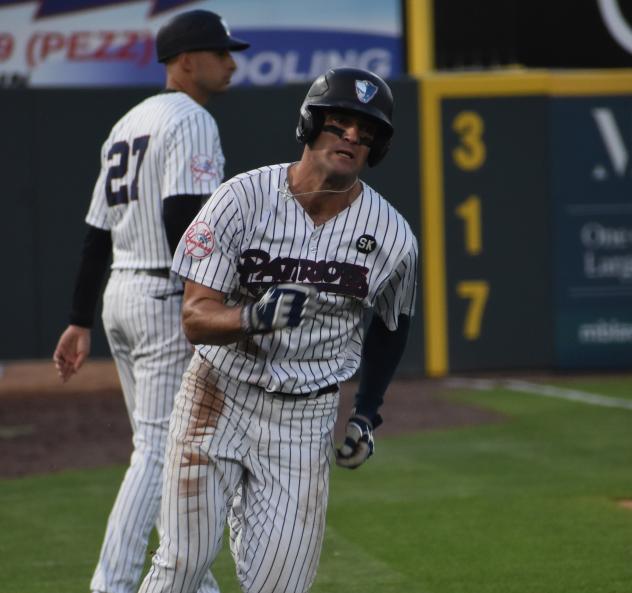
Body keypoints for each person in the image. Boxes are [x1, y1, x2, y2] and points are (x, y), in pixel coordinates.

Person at [137, 66, 419, 593]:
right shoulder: (239, 199)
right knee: (181, 567)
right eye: (340, 123)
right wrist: (254, 316)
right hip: (216, 396)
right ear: (310, 126)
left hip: (305, 417)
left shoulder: (392, 237)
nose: (353, 137)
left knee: (281, 587)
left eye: (368, 131)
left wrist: (365, 414)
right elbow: (195, 317)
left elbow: (392, 325)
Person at [52, 10, 250, 593]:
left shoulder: (128, 123)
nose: (231, 61)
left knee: (161, 445)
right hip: (165, 295)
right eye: (220, 53)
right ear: (187, 61)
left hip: (121, 294)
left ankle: (191, 583)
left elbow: (96, 234)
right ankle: (111, 584)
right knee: (159, 450)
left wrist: (77, 320)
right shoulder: (191, 120)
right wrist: (209, 295)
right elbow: (182, 217)